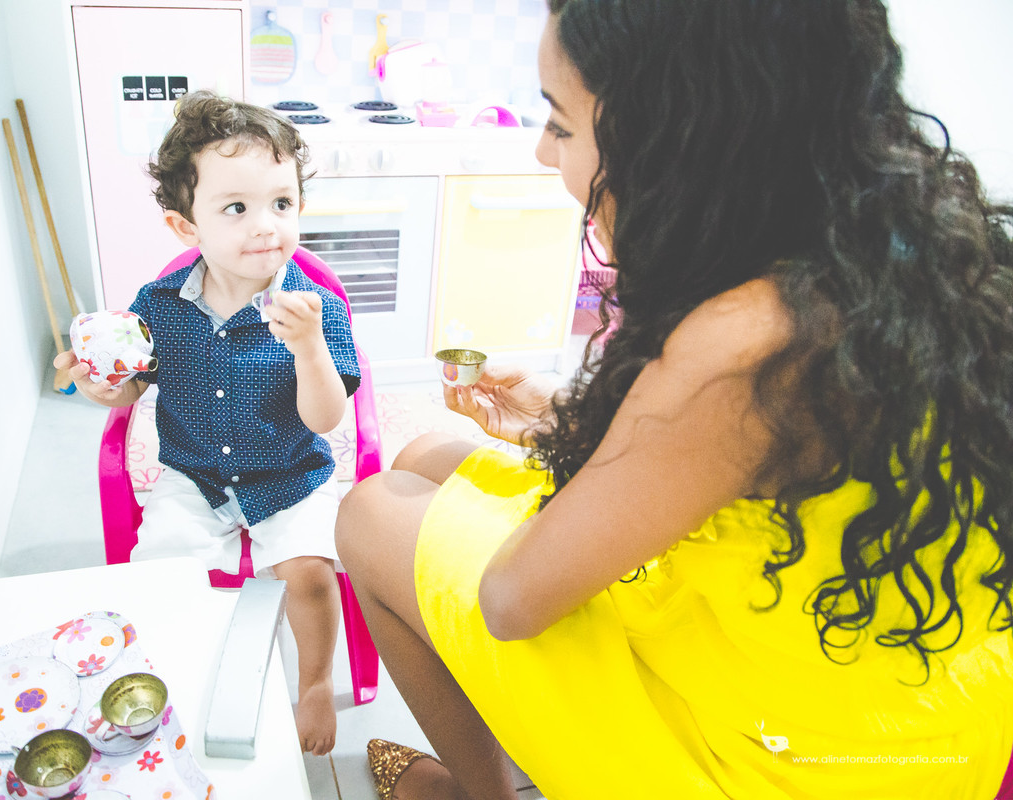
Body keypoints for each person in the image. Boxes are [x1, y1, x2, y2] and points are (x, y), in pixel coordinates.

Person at [335, 1, 1013, 798]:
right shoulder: (913, 256)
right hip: (909, 698)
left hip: (789, 762)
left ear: (670, 135)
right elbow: (730, 472)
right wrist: (578, 424)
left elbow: (511, 599)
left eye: (558, 122)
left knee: (373, 512)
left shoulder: (746, 345)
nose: (540, 149)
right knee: (428, 456)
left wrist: (590, 443)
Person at [56, 92, 360, 756]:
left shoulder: (314, 307)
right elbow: (132, 386)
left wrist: (309, 349)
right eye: (236, 208)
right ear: (185, 227)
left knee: (308, 570)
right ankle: (170, 677)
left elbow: (328, 417)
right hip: (192, 475)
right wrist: (101, 384)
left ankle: (314, 683)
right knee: (157, 575)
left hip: (290, 473)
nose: (266, 226)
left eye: (283, 203)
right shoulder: (158, 304)